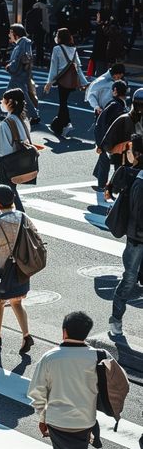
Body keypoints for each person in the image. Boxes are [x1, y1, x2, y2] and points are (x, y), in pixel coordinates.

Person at [28, 311, 104, 449]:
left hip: (59, 421)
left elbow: (36, 391)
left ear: (64, 331)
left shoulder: (50, 357)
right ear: (87, 333)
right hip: (83, 421)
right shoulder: (98, 357)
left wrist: (42, 416)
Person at [0, 184, 34, 353]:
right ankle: (26, 335)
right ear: (13, 199)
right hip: (22, 269)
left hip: (1, 272)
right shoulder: (24, 217)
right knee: (17, 301)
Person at [109, 167, 143, 336]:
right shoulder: (140, 182)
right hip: (137, 241)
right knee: (129, 279)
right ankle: (115, 319)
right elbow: (138, 216)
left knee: (130, 280)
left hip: (137, 239)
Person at [44, 27, 87, 138]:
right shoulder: (73, 49)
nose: (56, 38)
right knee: (63, 102)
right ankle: (58, 125)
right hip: (71, 80)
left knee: (63, 103)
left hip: (62, 80)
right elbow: (78, 67)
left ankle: (66, 124)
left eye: (57, 36)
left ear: (60, 38)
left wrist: (49, 83)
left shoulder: (57, 49)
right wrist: (83, 82)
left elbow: (53, 68)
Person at [0, 88, 32, 212]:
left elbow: (3, 149)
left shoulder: (6, 123)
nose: (1, 103)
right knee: (5, 191)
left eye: (3, 101)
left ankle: (19, 218)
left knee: (3, 192)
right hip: (20, 161)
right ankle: (5, 217)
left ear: (10, 103)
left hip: (8, 162)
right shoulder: (23, 120)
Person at [93, 80, 128, 190]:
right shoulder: (124, 106)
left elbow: (101, 124)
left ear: (115, 91)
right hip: (121, 141)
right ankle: (113, 186)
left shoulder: (113, 105)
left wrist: (100, 144)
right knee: (118, 163)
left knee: (106, 161)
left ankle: (104, 186)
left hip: (109, 140)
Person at [100, 87, 143, 171]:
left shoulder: (123, 119)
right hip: (129, 161)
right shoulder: (124, 119)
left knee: (120, 181)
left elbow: (107, 143)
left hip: (123, 160)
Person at [4, 23, 39, 124]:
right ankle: (8, 113)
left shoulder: (21, 45)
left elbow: (17, 60)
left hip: (18, 75)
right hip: (21, 74)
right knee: (14, 95)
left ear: (16, 34)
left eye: (11, 32)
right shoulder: (25, 43)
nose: (9, 35)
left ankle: (34, 115)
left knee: (19, 96)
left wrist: (9, 67)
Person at [26, 0, 49, 67]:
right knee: (40, 45)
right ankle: (40, 60)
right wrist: (47, 30)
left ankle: (32, 59)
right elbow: (45, 19)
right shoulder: (44, 7)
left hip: (33, 28)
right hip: (40, 29)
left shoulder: (34, 6)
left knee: (33, 44)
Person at [90, 10, 110, 76]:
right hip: (106, 55)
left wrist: (93, 56)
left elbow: (97, 44)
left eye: (98, 16)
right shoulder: (107, 26)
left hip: (99, 56)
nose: (97, 18)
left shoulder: (100, 28)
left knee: (100, 76)